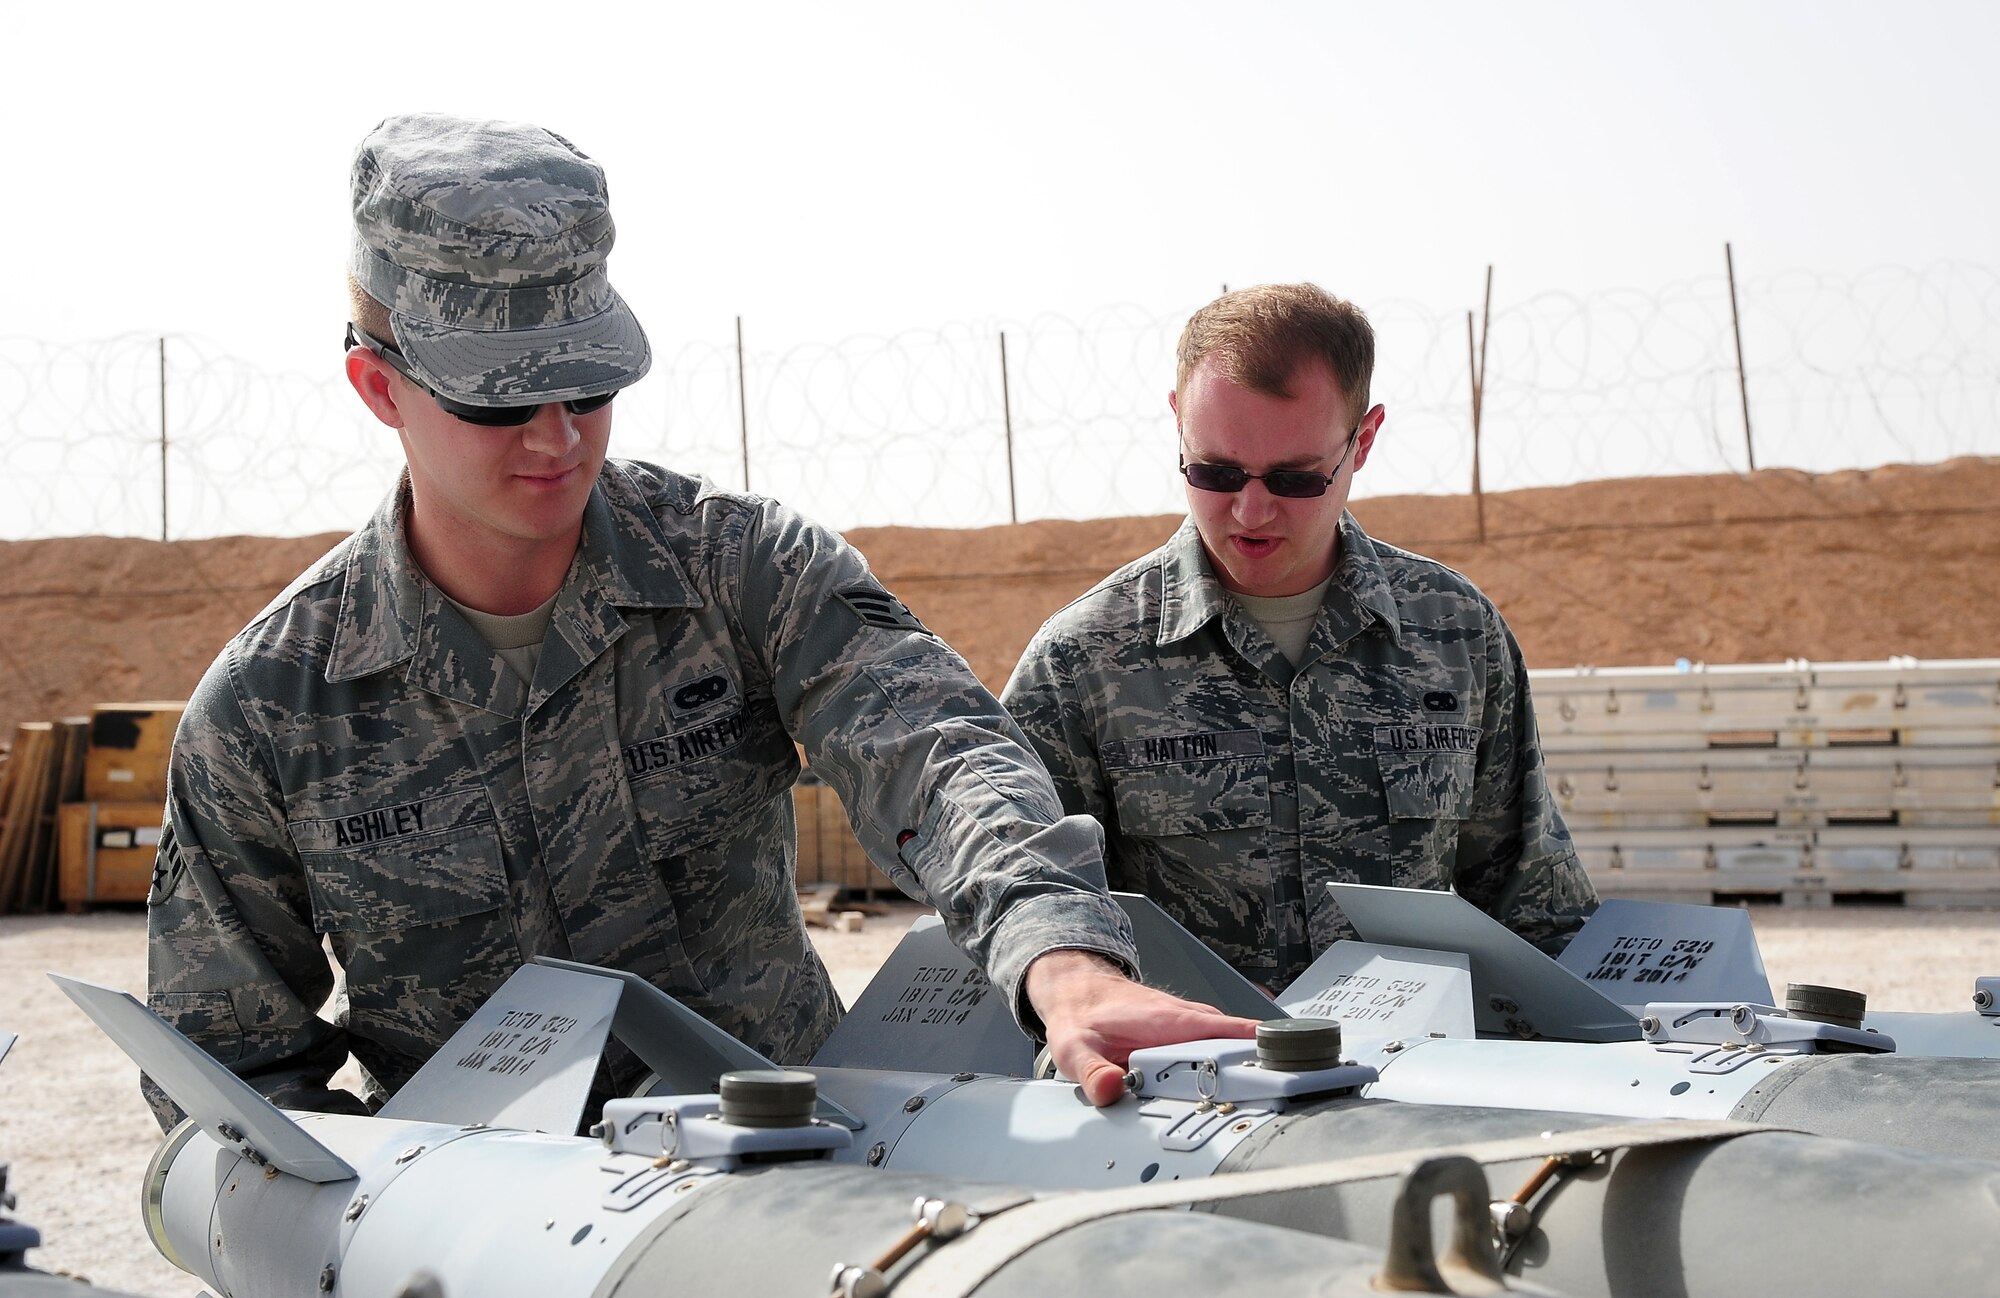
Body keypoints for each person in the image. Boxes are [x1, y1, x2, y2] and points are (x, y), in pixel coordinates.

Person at [145, 113, 1252, 1128]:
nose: (556, 437)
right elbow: (233, 1085)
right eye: (497, 400)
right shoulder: (269, 712)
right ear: (377, 386)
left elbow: (937, 748)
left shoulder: (742, 569)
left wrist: (1058, 953)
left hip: (787, 1195)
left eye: (587, 386)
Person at [1002, 283, 1596, 992]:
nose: (1251, 510)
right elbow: (1030, 919)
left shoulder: (1456, 635)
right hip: (1195, 1090)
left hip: (1420, 1080)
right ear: (1176, 426)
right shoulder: (1083, 662)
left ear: (1363, 441)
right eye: (1214, 471)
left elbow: (1535, 908)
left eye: (1295, 478)